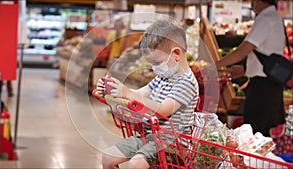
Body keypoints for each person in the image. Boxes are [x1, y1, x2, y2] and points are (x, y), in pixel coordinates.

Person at [96, 19, 199, 169]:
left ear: (176, 53)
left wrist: (130, 94)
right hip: (150, 137)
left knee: (136, 164)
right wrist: (114, 90)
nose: (154, 68)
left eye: (157, 63)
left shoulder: (186, 83)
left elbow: (163, 109)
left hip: (171, 144)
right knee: (108, 157)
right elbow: (140, 93)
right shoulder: (163, 77)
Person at [216, 0, 286, 137]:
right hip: (271, 86)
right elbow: (267, 53)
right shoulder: (275, 17)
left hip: (262, 89)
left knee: (256, 135)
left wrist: (215, 65)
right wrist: (244, 70)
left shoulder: (266, 19)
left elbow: (242, 51)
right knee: (262, 136)